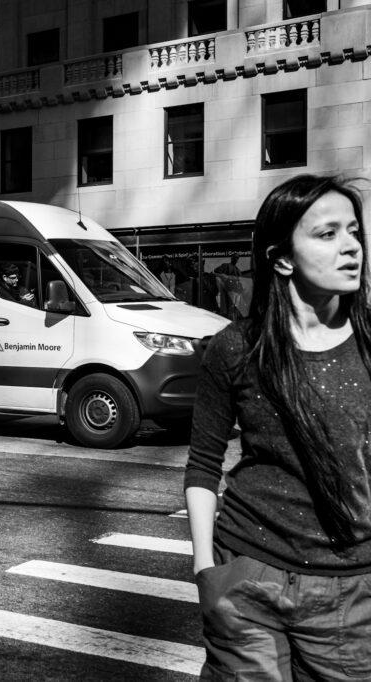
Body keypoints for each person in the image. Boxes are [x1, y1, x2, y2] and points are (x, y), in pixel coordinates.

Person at [185, 174, 371, 679]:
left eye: (354, 231)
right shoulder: (235, 347)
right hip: (246, 576)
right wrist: (207, 571)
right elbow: (203, 466)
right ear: (283, 258)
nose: (351, 246)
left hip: (351, 594)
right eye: (328, 234)